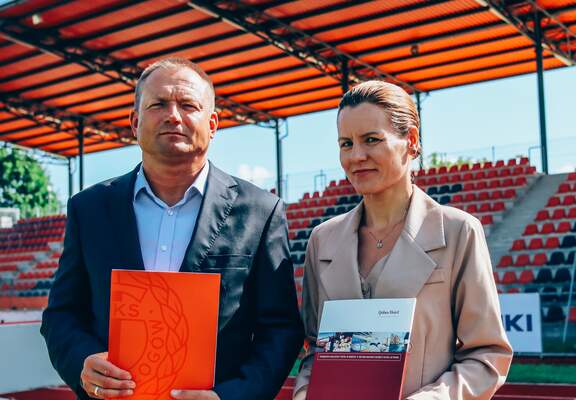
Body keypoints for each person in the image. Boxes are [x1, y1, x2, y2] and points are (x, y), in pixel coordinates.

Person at [41, 57, 304, 400]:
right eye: (158, 104)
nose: (173, 116)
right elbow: (61, 315)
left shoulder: (260, 211)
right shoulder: (89, 209)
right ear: (135, 122)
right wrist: (82, 363)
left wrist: (230, 397)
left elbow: (280, 328)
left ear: (212, 124)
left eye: (188, 105)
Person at [293, 81, 512, 399]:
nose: (357, 156)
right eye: (346, 143)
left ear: (411, 140)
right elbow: (314, 350)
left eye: (372, 139)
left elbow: (487, 356)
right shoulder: (321, 240)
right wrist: (304, 394)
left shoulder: (459, 232)